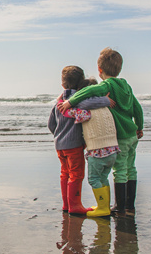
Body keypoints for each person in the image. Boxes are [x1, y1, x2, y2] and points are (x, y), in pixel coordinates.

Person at [58, 48, 144, 216]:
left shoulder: (107, 84)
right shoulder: (126, 85)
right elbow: (137, 108)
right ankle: (130, 207)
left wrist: (70, 102)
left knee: (120, 171)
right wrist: (139, 126)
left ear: (100, 70)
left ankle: (120, 207)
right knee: (131, 168)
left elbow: (89, 91)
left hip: (121, 137)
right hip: (133, 135)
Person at [48, 66, 112, 215]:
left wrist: (58, 135)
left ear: (63, 84)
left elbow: (51, 124)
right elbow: (91, 105)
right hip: (74, 144)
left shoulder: (58, 102)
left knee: (65, 173)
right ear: (82, 82)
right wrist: (106, 100)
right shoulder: (79, 99)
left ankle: (66, 204)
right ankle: (75, 205)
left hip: (59, 144)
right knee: (76, 174)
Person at [66, 83, 120, 218]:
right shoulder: (106, 107)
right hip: (113, 149)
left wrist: (65, 103)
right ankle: (105, 206)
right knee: (103, 177)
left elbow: (69, 111)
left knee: (94, 178)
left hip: (98, 150)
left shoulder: (85, 111)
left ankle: (102, 208)